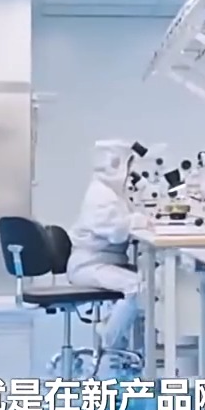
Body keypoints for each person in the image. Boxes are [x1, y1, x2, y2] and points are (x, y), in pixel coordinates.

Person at [67, 140, 150, 351]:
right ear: (116, 164)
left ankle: (124, 344)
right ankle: (110, 338)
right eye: (128, 165)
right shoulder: (100, 195)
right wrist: (138, 221)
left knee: (150, 280)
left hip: (103, 262)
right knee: (137, 287)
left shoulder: (111, 193)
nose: (130, 171)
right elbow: (116, 232)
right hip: (89, 266)